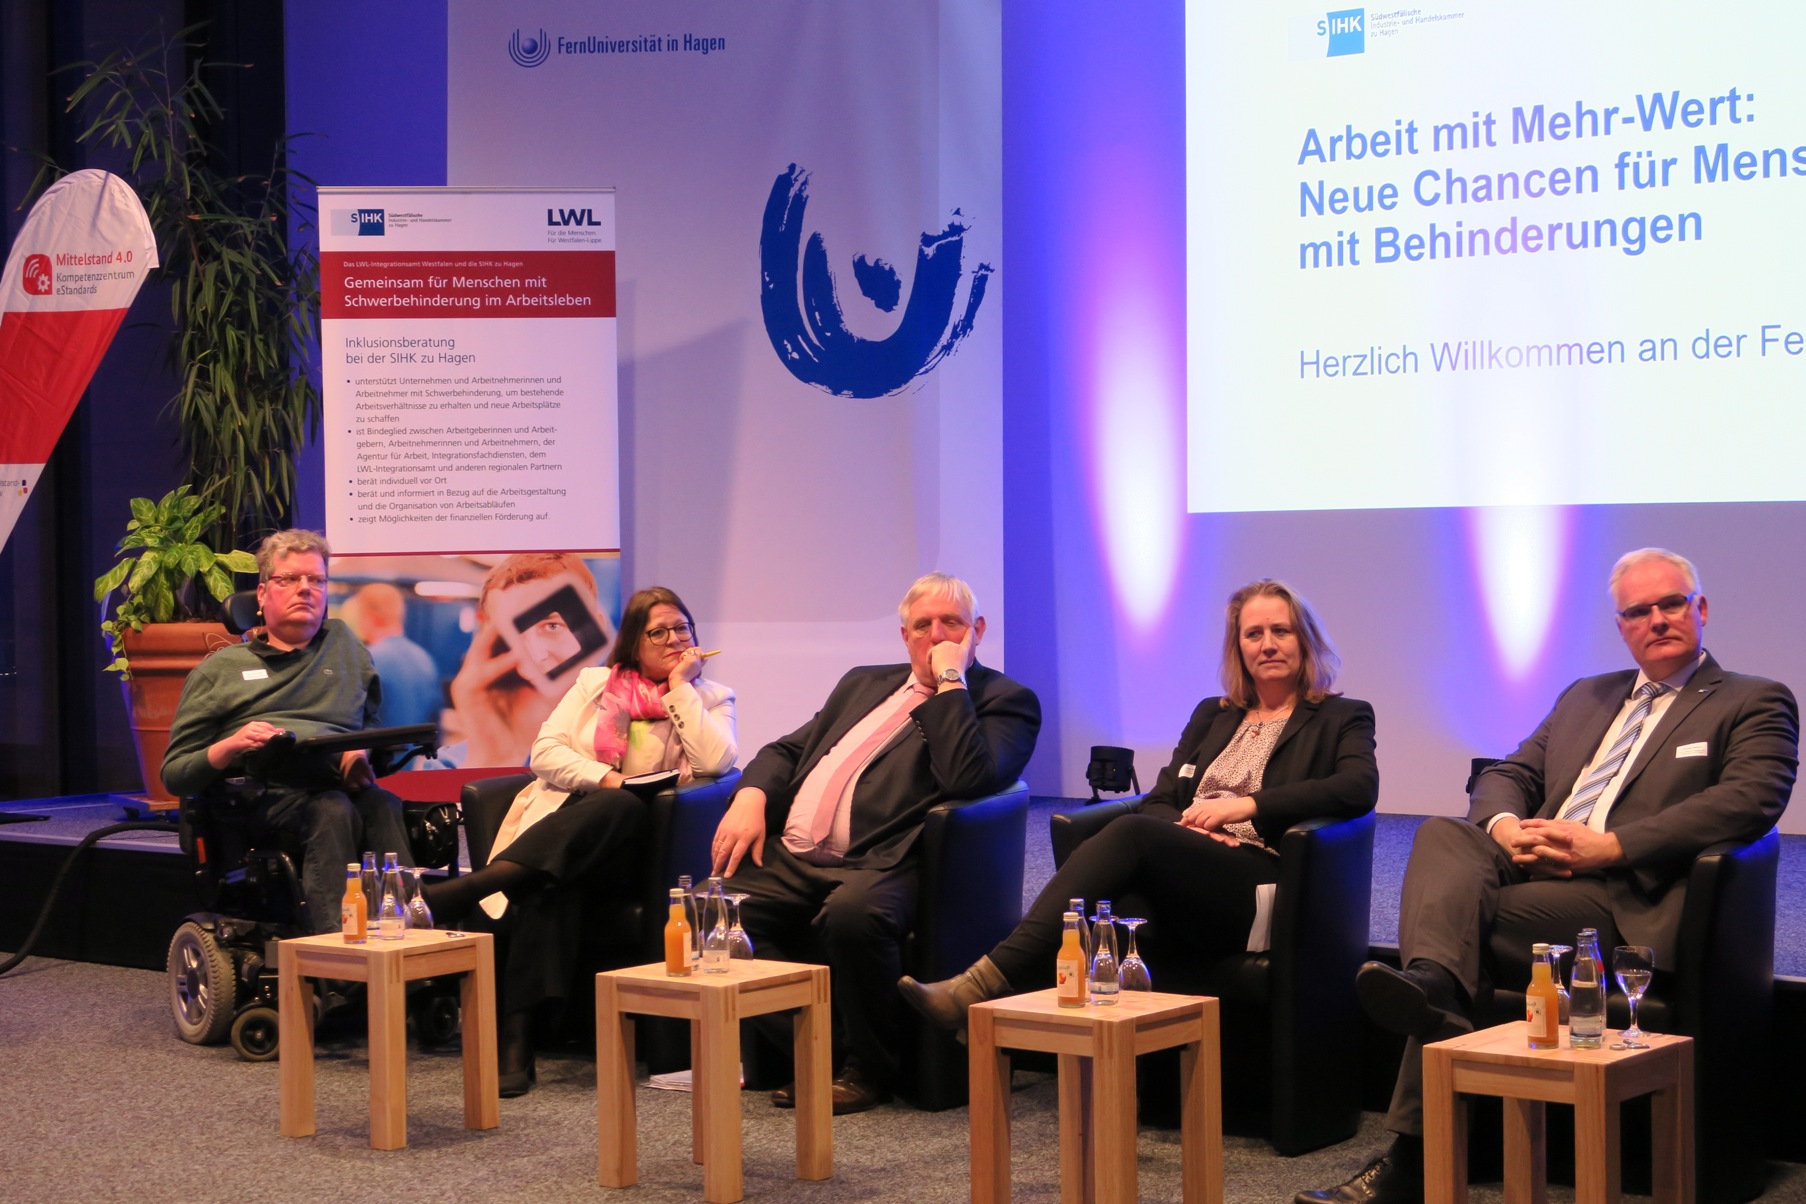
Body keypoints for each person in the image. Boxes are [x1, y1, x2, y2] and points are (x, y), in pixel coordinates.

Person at [1300, 548, 1799, 1204]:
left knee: (1459, 929)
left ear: (1700, 609)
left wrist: (1611, 846)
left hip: (1626, 895)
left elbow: (1748, 801)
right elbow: (1510, 773)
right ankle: (1434, 985)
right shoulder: (1587, 696)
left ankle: (1413, 1152)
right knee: (1445, 834)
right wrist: (1509, 828)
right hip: (1536, 867)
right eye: (1637, 611)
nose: (1656, 620)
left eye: (1671, 604)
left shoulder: (1752, 700)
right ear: (1621, 626)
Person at [899, 579, 1377, 1031]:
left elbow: (1357, 786)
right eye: (1253, 634)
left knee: (1130, 836)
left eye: (1281, 631)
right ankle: (1044, 1029)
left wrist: (1246, 806)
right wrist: (1192, 834)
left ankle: (983, 984)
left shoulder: (1340, 716)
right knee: (1118, 904)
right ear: (1239, 647)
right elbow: (1162, 802)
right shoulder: (1215, 714)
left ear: (1305, 639)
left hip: (1264, 881)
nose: (1267, 644)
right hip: (1195, 869)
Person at [708, 572, 1040, 1114]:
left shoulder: (1004, 700)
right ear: (904, 635)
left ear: (977, 630)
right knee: (711, 914)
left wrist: (951, 682)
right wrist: (750, 796)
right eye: (923, 625)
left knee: (852, 916)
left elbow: (967, 777)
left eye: (951, 624)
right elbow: (788, 749)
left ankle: (867, 1072)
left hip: (885, 860)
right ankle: (820, 1050)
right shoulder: (863, 683)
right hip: (795, 858)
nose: (936, 635)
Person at [423, 586, 735, 1096]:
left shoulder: (712, 698)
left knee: (620, 809)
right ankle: (517, 1045)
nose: (675, 639)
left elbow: (715, 764)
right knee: (552, 882)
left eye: (683, 629)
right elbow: (543, 753)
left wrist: (681, 688)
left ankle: (472, 889)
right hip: (575, 830)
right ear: (635, 643)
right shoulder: (595, 685)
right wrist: (607, 778)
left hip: (648, 850)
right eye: (659, 632)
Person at [163, 529, 412, 936]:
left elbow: (370, 722)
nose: (305, 590)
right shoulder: (220, 671)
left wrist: (360, 753)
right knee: (332, 810)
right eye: (289, 579)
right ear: (262, 594)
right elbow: (175, 773)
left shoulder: (345, 646)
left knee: (382, 804)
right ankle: (341, 954)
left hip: (338, 784)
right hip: (266, 799)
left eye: (316, 580)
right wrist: (231, 743)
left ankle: (408, 939)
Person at [439, 552, 609, 768]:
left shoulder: (639, 740)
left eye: (552, 626)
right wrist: (494, 758)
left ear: (597, 628)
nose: (536, 656)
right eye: (511, 637)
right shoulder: (452, 764)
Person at [343, 582, 440, 728]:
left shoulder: (367, 662)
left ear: (371, 617)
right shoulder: (425, 660)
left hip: (380, 750)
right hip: (418, 751)